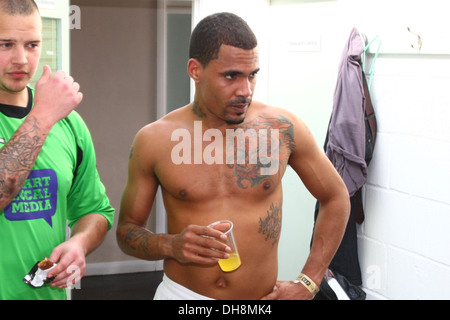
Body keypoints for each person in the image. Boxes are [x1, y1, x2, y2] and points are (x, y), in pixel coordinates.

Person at [117, 12, 350, 300]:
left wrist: (309, 282)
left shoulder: (282, 128)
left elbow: (336, 196)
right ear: (195, 70)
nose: (246, 90)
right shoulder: (154, 140)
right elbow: (127, 232)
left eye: (252, 75)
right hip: (183, 296)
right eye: (231, 76)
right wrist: (171, 244)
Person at [0, 0, 114, 300]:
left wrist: (79, 243)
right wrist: (42, 116)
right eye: (5, 44)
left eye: (32, 44)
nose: (21, 59)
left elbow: (95, 211)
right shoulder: (50, 114)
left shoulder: (69, 123)